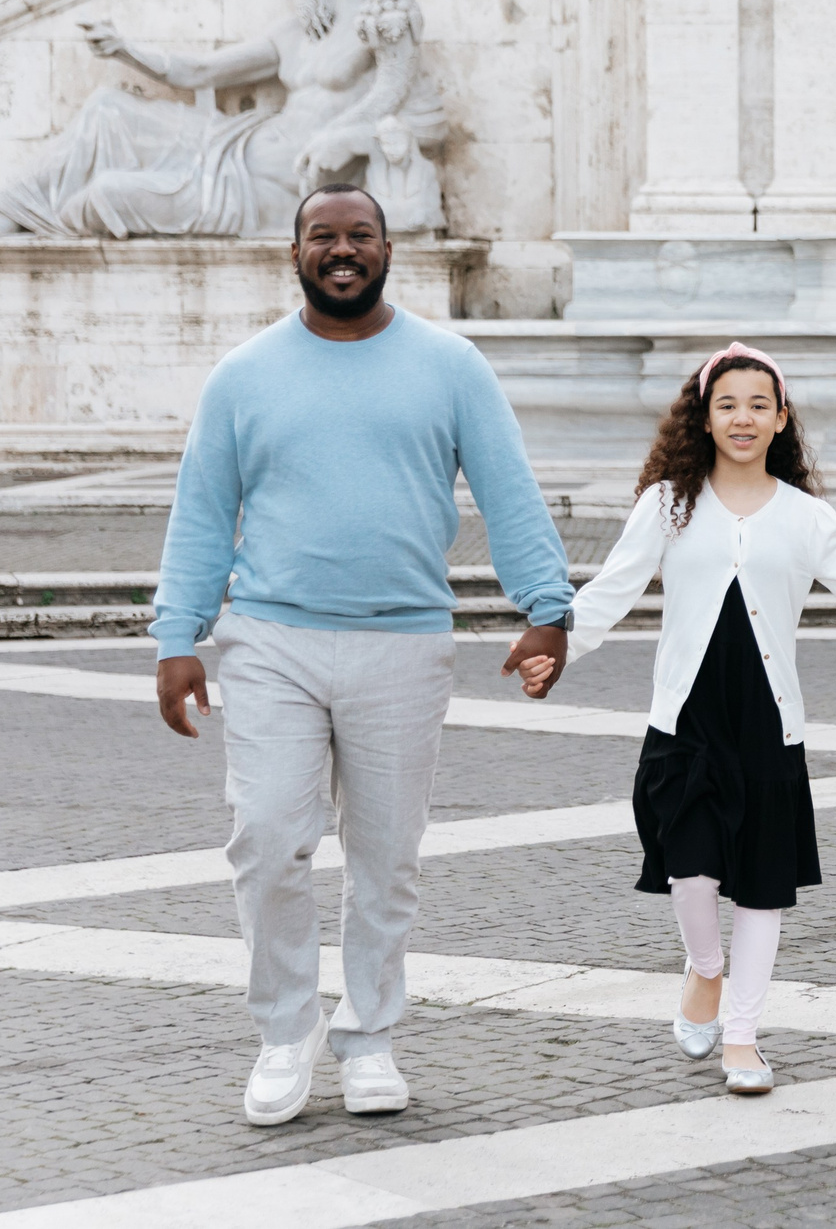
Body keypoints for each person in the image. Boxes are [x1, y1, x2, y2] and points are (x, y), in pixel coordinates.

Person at [150, 182, 575, 1127]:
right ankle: (284, 1032)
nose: (342, 250)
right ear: (294, 250)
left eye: (360, 235)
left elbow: (509, 490)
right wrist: (177, 635)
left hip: (404, 642)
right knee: (265, 837)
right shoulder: (243, 374)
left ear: (389, 247)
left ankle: (371, 1035)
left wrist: (548, 609)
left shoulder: (451, 365)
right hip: (269, 641)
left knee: (386, 856)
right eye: (322, 236)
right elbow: (202, 515)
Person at [508, 344, 836, 1096]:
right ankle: (704, 969)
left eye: (759, 404)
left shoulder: (809, 518)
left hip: (769, 727)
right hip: (685, 721)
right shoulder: (667, 503)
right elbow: (610, 589)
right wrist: (557, 643)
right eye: (728, 403)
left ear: (782, 417)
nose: (743, 417)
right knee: (689, 870)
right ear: (704, 415)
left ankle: (743, 1036)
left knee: (762, 887)